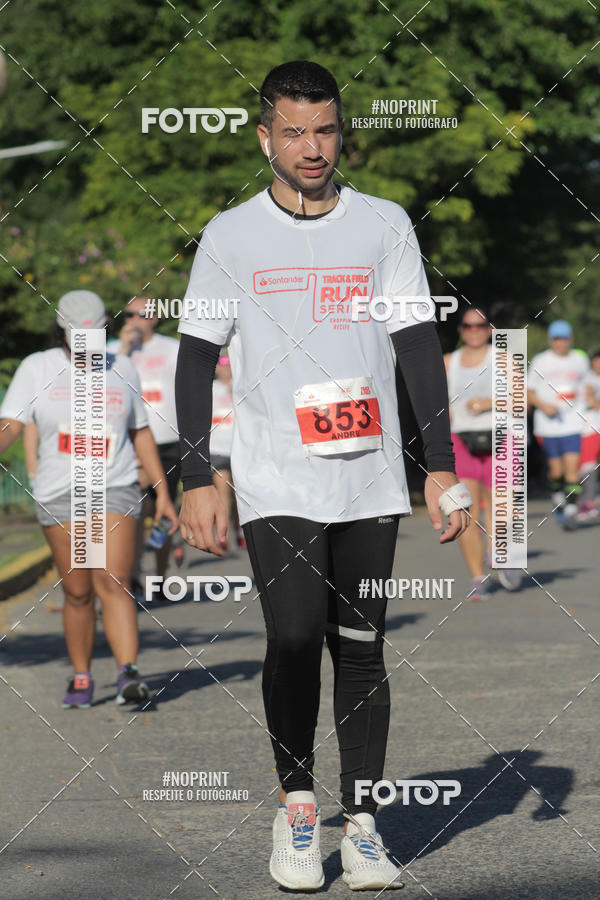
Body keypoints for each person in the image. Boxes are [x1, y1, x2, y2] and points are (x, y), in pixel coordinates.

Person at [174, 61, 472, 892]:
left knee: (361, 648)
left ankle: (365, 825)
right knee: (296, 638)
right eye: (295, 131)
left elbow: (417, 344)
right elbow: (197, 355)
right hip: (275, 474)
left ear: (342, 131)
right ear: (265, 135)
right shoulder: (232, 234)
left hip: (369, 475)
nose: (313, 147)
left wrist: (439, 466)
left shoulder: (382, 224)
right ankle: (299, 810)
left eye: (327, 129)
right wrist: (198, 472)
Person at [0, 291, 178, 707]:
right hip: (60, 491)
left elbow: (140, 432)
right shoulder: (37, 367)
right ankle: (82, 676)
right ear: (62, 332)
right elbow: (11, 422)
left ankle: (128, 673)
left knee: (112, 580)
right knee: (78, 591)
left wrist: (163, 493)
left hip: (114, 486)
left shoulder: (124, 368)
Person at [444, 306, 522, 600]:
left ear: (490, 329)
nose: (473, 330)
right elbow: (435, 404)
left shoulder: (504, 360)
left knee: (500, 504)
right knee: (466, 510)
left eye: (480, 325)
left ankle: (500, 550)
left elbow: (521, 402)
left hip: (501, 438)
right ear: (460, 329)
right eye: (467, 326)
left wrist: (489, 404)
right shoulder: (448, 362)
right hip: (460, 440)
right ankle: (478, 577)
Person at [108, 297, 183, 599]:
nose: (135, 319)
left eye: (142, 314)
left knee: (164, 512)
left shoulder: (172, 348)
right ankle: (133, 575)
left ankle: (161, 575)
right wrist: (124, 349)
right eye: (128, 314)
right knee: (135, 510)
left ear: (154, 318)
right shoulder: (113, 351)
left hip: (168, 441)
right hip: (130, 440)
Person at [528, 320, 589, 529]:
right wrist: (543, 406)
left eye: (564, 339)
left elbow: (586, 385)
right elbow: (529, 392)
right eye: (556, 339)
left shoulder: (580, 360)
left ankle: (571, 510)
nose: (560, 343)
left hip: (572, 423)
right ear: (551, 340)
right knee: (556, 471)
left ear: (570, 339)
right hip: (548, 425)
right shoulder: (540, 361)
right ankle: (556, 492)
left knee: (573, 468)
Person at [210, 354, 245, 548]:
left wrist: (235, 391)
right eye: (221, 363)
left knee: (240, 492)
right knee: (223, 490)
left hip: (239, 447)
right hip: (217, 448)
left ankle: (241, 528)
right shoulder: (211, 387)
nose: (225, 367)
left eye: (228, 363)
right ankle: (223, 534)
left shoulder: (241, 385)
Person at [577, 348, 600, 521]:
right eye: (596, 362)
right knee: (588, 467)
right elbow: (591, 397)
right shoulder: (587, 379)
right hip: (589, 429)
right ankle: (585, 503)